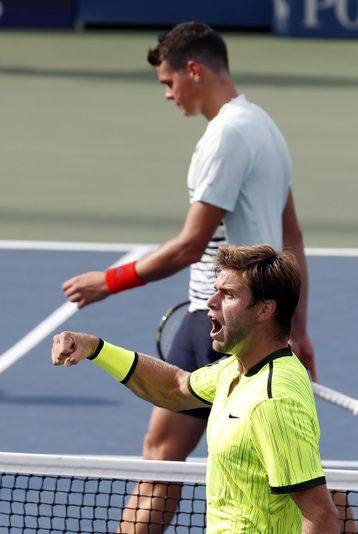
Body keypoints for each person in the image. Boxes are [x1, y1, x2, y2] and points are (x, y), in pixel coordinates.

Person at [62, 21, 316, 532]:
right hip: (264, 316)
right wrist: (297, 327)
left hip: (218, 315)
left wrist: (108, 281)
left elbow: (190, 245)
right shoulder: (267, 127)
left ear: (193, 70)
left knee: (161, 460)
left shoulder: (224, 136)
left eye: (168, 81)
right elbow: (293, 239)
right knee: (294, 473)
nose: (167, 93)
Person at [53, 244, 339, 534]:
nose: (211, 301)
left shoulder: (271, 400)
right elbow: (174, 387)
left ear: (265, 309)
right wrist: (95, 348)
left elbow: (321, 516)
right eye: (216, 290)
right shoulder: (236, 370)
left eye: (228, 294)